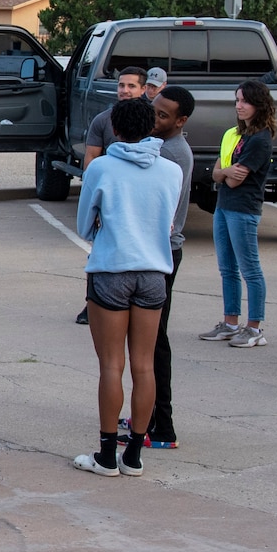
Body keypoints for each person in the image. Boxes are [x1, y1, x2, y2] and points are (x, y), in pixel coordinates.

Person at [70, 97, 181, 477]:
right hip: (154, 272)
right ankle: (134, 454)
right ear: (152, 125)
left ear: (115, 129)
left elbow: (85, 224)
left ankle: (105, 455)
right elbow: (168, 221)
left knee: (111, 365)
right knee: (144, 366)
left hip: (112, 269)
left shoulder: (102, 167)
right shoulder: (171, 170)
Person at [198, 80, 275, 349]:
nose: (239, 106)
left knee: (250, 269)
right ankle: (230, 323)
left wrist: (224, 173)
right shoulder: (236, 135)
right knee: (227, 268)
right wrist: (224, 172)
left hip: (243, 209)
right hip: (224, 206)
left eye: (244, 101)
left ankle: (254, 328)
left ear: (258, 104)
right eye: (237, 100)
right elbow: (218, 171)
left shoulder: (260, 139)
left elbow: (233, 179)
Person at [143, 86, 195, 449]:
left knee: (155, 342)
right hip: (156, 252)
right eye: (153, 110)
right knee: (148, 342)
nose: (155, 118)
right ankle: (148, 415)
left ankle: (164, 425)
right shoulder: (158, 144)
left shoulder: (172, 153)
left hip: (163, 254)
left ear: (181, 121)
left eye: (163, 115)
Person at [74, 66, 147, 324]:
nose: (125, 91)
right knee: (98, 253)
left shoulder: (150, 119)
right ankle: (92, 304)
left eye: (131, 86)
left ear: (144, 89)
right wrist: (92, 198)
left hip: (141, 199)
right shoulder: (103, 120)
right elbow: (91, 158)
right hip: (111, 198)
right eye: (121, 86)